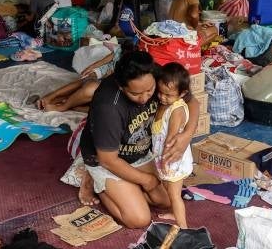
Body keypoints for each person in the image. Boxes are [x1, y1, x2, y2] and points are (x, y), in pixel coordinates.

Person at [79, 51, 169, 228]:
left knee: (166, 201)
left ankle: (123, 188)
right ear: (121, 87)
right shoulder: (109, 107)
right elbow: (108, 160)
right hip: (106, 159)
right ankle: (95, 181)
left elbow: (191, 101)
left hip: (138, 152)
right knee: (138, 219)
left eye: (149, 90)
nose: (144, 98)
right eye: (135, 94)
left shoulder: (153, 74)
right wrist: (146, 181)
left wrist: (184, 136)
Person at [152, 63, 193, 229]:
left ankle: (183, 228)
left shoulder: (176, 110)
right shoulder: (165, 104)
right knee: (169, 189)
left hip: (172, 159)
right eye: (160, 92)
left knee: (175, 195)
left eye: (168, 95)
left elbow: (170, 138)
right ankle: (173, 212)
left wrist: (165, 161)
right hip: (164, 157)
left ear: (182, 93)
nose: (162, 97)